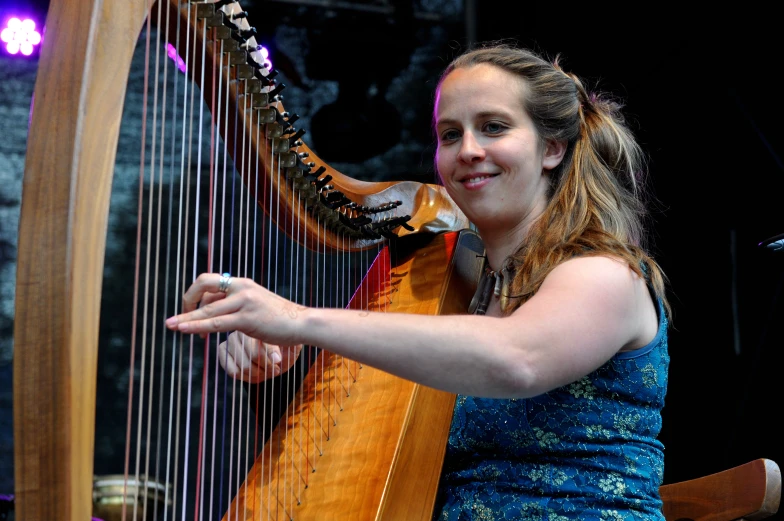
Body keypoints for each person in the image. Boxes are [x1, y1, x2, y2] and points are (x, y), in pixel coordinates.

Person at [165, 42, 671, 520]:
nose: (468, 150)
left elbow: (518, 359)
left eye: (493, 127)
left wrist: (298, 321)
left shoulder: (603, 274)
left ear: (552, 149)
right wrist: (275, 366)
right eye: (450, 134)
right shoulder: (465, 291)